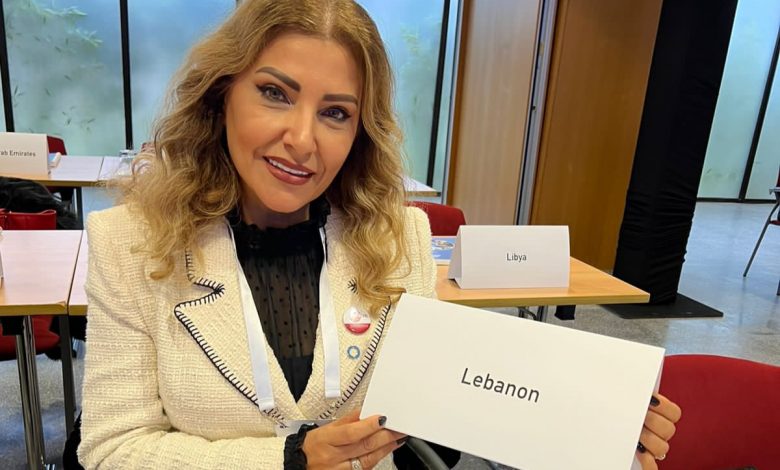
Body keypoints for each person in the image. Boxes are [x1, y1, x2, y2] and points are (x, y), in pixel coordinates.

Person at [77, 1, 680, 469]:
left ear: (360, 130)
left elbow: (446, 399)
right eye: (274, 93)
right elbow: (112, 449)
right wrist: (289, 460)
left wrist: (597, 417)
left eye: (335, 112)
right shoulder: (128, 243)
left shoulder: (398, 236)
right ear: (221, 95)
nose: (302, 140)